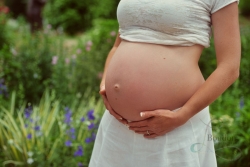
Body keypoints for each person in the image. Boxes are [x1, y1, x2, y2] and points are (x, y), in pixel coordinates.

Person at [89, 0, 241, 166]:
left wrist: (181, 116)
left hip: (172, 126)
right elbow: (118, 45)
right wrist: (105, 85)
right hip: (117, 127)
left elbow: (229, 68)